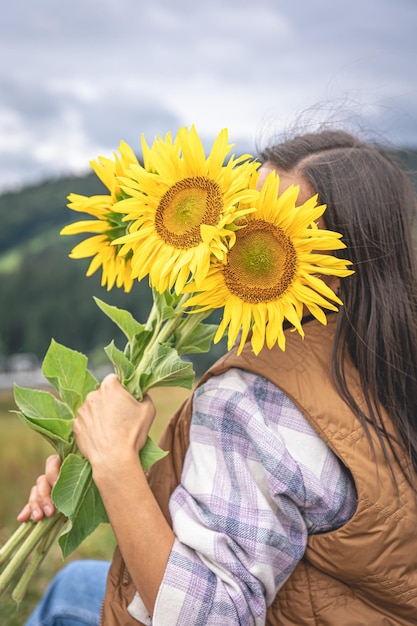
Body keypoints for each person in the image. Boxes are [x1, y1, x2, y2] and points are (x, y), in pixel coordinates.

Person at [19, 129, 417, 625]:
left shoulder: (252, 398)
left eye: (276, 230)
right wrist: (111, 476)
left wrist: (116, 465)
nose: (229, 240)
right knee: (70, 588)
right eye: (243, 214)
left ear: (332, 267)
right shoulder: (390, 360)